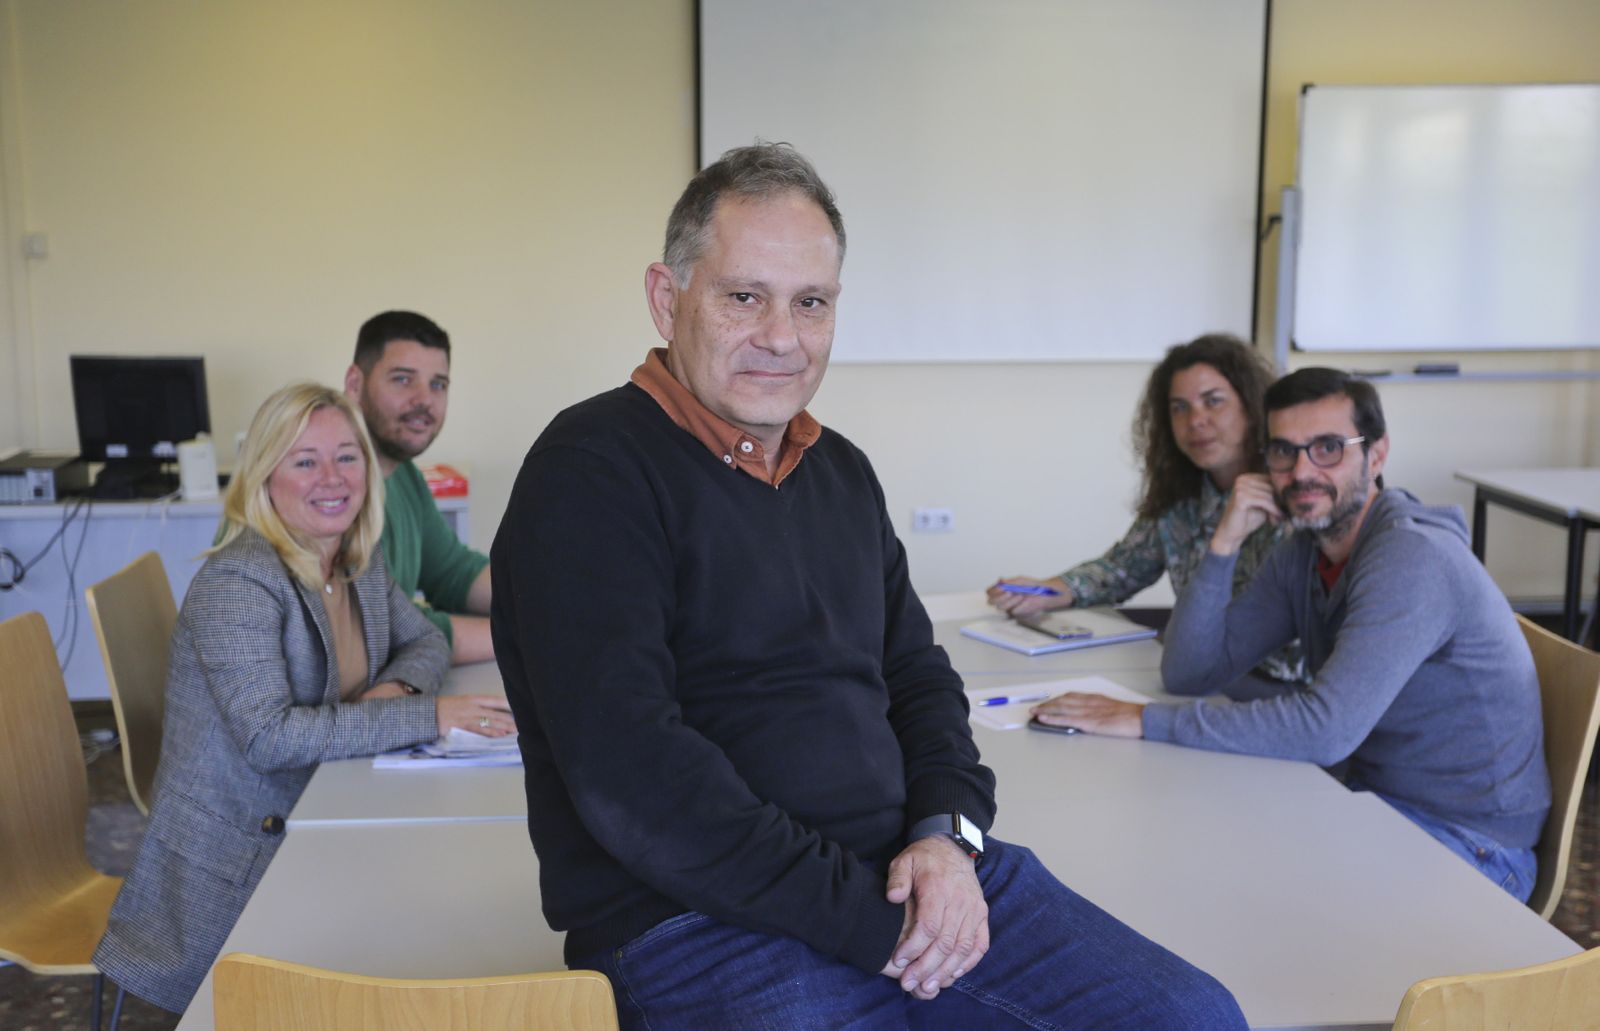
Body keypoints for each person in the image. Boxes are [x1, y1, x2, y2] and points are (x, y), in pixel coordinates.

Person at [490, 143, 1245, 1029]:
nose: (782, 336)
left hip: (912, 874)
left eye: (811, 302)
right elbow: (637, 779)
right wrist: (873, 920)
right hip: (695, 918)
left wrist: (946, 837)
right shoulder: (589, 472)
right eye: (744, 297)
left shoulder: (840, 471)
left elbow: (919, 681)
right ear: (668, 297)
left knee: (1196, 1016)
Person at [1032, 368, 1550, 900]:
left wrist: (1145, 721)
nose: (1302, 471)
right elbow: (1190, 671)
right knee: (1193, 851)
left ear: (1376, 456)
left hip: (1470, 847)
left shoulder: (1412, 559)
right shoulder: (1305, 551)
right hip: (1371, 802)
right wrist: (1224, 540)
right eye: (1283, 451)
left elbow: (1324, 730)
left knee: (1221, 885)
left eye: (1327, 448)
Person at [94, 383, 514, 1013]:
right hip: (239, 858)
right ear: (265, 476)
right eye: (305, 460)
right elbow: (272, 739)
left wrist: (392, 691)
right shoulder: (240, 580)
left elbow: (426, 639)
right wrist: (424, 712)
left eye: (347, 457)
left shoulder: (351, 559)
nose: (332, 478)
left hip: (327, 804)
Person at [988, 334, 1303, 691]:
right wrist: (1051, 589)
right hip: (1201, 676)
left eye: (1213, 402)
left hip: (1277, 687)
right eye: (1179, 408)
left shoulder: (1293, 493)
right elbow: (1122, 568)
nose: (1195, 420)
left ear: (1252, 406)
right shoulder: (1181, 495)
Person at [345, 310, 495, 664]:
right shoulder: (329, 487)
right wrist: (530, 634)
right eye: (402, 379)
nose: (424, 400)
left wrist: (554, 597)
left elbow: (454, 573)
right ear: (355, 384)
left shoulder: (404, 474)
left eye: (438, 384)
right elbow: (379, 630)